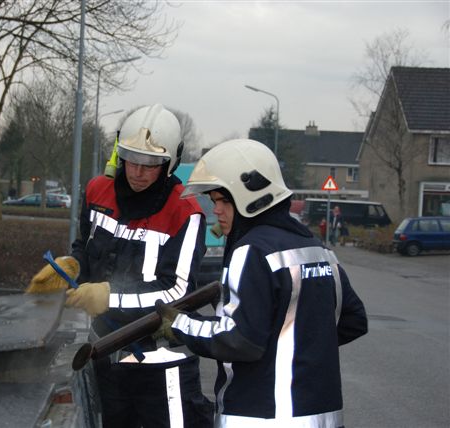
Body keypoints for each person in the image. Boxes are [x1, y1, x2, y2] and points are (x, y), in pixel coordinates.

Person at [155, 139, 368, 427]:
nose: (216, 210)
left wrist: (181, 324)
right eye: (215, 201)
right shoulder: (318, 249)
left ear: (251, 198)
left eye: (223, 200)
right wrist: (296, 346)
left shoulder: (251, 251)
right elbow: (353, 321)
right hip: (324, 417)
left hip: (262, 415)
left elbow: (238, 340)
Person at [65, 104, 214, 427]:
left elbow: (179, 292)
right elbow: (85, 247)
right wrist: (72, 266)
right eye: (131, 159)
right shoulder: (97, 191)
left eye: (150, 164)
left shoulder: (185, 212)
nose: (137, 171)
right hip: (105, 355)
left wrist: (109, 297)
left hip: (162, 365)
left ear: (169, 162)